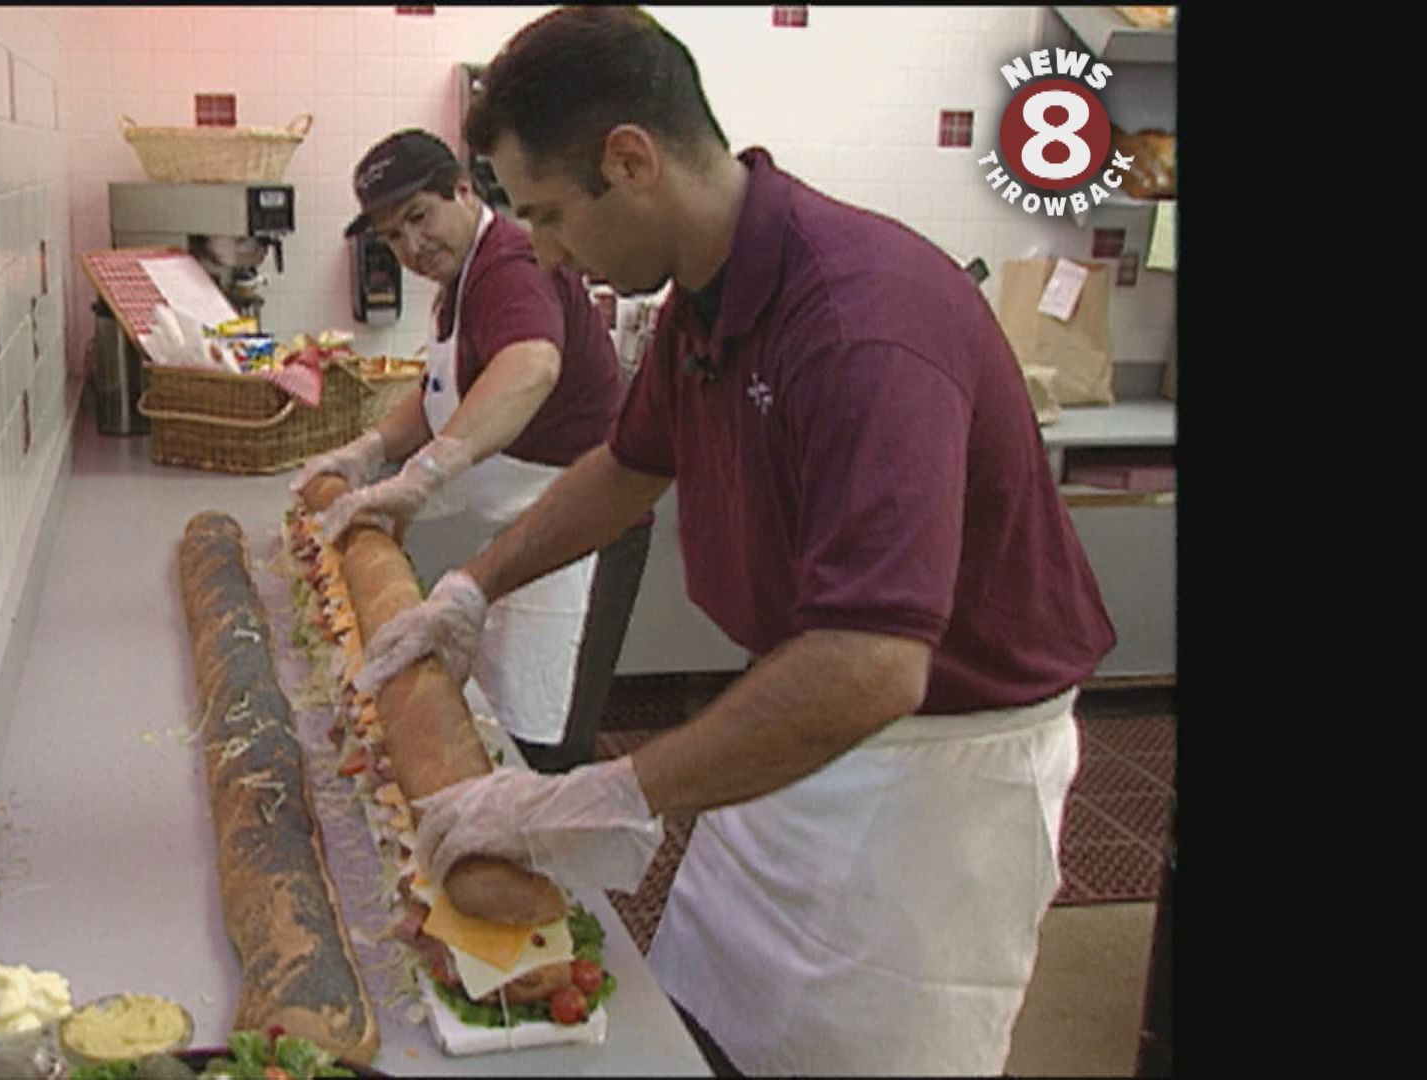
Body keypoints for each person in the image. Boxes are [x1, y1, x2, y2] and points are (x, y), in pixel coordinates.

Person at [354, 8, 1119, 1076]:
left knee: (859, 1058)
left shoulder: (859, 323)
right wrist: (471, 589)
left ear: (632, 161)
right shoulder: (703, 301)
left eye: (551, 216)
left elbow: (873, 666)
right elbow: (629, 465)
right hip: (795, 720)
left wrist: (602, 791)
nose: (548, 255)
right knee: (703, 1021)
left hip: (934, 782)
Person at [294, 128, 650, 774]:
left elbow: (530, 365)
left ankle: (551, 866)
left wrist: (427, 473)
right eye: (393, 236)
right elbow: (441, 393)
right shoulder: (463, 279)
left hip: (582, 535)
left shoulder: (507, 267)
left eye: (419, 218)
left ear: (463, 189)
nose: (411, 246)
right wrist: (370, 449)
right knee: (502, 720)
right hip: (523, 533)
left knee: (543, 734)